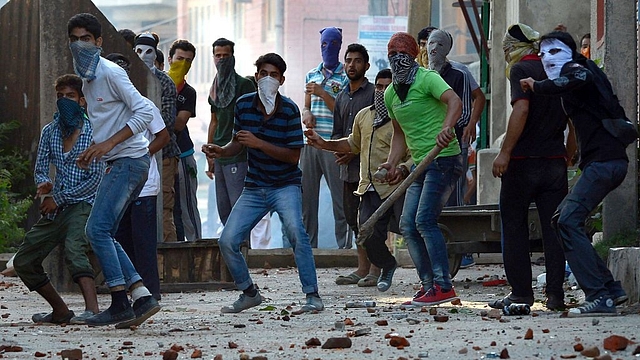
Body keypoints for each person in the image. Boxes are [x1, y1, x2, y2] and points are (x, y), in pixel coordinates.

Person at [202, 53, 323, 313]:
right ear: (256, 76)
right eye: (264, 73)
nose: (268, 79)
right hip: (255, 186)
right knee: (228, 240)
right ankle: (249, 292)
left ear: (281, 80)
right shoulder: (244, 105)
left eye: (274, 75)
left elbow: (292, 157)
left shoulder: (289, 109)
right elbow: (239, 141)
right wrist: (220, 151)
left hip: (285, 184)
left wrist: (259, 144)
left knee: (296, 233)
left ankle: (312, 295)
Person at [520, 30, 629, 317]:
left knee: (567, 221)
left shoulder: (576, 69)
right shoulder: (574, 76)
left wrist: (538, 85)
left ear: (570, 53)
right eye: (542, 54)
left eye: (554, 52)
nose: (547, 59)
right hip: (603, 162)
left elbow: (578, 77)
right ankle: (610, 289)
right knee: (561, 220)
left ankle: (598, 296)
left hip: (606, 162)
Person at [67, 13, 160, 327]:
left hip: (130, 162)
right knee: (104, 231)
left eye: (86, 39)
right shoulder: (87, 79)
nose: (80, 45)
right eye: (75, 39)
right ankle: (141, 294)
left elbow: (146, 110)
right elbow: (107, 119)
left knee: (96, 230)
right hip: (117, 163)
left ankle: (121, 301)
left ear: (99, 42)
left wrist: (109, 146)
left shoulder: (110, 72)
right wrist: (96, 150)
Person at [488, 23, 572, 311]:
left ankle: (522, 294)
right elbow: (572, 116)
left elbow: (521, 109)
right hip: (554, 163)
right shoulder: (558, 68)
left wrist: (505, 153)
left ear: (515, 46)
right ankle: (556, 295)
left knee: (514, 226)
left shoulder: (522, 69)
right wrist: (569, 152)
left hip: (523, 163)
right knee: (554, 230)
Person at [306, 69, 411, 292]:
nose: (382, 91)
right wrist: (324, 143)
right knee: (365, 234)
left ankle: (431, 281)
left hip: (398, 188)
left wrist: (403, 168)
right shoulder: (364, 116)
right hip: (370, 188)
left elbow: (415, 153)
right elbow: (352, 144)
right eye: (379, 87)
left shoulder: (405, 115)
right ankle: (387, 264)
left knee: (411, 229)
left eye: (387, 87)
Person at [379, 32, 463, 306]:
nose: (397, 59)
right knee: (407, 225)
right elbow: (399, 134)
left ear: (414, 55)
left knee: (424, 220)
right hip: (419, 164)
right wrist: (391, 162)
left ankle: (443, 285)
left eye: (402, 53)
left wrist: (447, 128)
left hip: (444, 158)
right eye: (392, 55)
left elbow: (455, 102)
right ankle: (428, 287)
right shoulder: (391, 93)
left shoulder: (428, 78)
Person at [13, 74, 102, 325]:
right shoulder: (50, 131)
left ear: (82, 101)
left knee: (75, 248)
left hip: (83, 203)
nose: (64, 101)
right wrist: (44, 183)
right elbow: (40, 167)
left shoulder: (94, 131)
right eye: (60, 96)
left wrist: (58, 198)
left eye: (70, 97)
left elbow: (95, 180)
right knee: (24, 259)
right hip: (55, 206)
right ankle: (60, 310)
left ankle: (93, 311)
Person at [418, 26, 487, 268]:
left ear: (447, 48)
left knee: (453, 195)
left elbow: (475, 100)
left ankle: (461, 251)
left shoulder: (459, 72)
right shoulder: (422, 75)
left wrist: (470, 125)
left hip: (453, 140)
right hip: (428, 143)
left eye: (439, 44)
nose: (433, 48)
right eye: (430, 44)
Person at [106, 52, 169, 302]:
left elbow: (163, 136)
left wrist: (140, 157)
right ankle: (127, 294)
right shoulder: (105, 109)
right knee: (119, 239)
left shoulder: (143, 105)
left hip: (143, 185)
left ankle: (150, 295)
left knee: (143, 243)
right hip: (115, 185)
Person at [330, 43, 377, 284]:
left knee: (371, 219)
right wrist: (341, 152)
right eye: (348, 60)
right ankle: (361, 268)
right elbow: (338, 133)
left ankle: (375, 270)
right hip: (347, 171)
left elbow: (379, 132)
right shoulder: (341, 96)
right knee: (352, 218)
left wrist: (353, 151)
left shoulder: (373, 95)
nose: (352, 65)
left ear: (366, 66)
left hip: (369, 169)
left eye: (357, 61)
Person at [302, 26, 350, 248]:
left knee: (339, 199)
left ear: (339, 46)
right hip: (310, 143)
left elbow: (343, 110)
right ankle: (308, 247)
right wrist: (307, 113)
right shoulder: (312, 74)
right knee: (307, 200)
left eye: (332, 44)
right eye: (323, 45)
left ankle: (344, 248)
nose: (327, 49)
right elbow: (306, 106)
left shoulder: (346, 76)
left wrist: (323, 93)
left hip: (333, 144)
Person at [134, 32, 180, 243]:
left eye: (148, 51)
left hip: (164, 155)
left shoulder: (165, 82)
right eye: (139, 51)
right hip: (132, 153)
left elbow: (168, 123)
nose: (143, 56)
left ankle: (168, 263)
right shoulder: (128, 79)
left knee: (163, 208)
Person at [206, 38, 256, 227]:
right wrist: (210, 154)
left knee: (239, 209)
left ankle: (243, 251)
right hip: (219, 156)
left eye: (226, 56)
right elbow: (214, 121)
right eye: (218, 56)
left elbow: (252, 122)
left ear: (233, 57)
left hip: (238, 155)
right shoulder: (215, 88)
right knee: (223, 208)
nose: (221, 59)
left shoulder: (244, 85)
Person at [168, 39, 202, 241]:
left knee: (187, 206)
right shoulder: (157, 84)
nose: (183, 63)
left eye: (188, 61)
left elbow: (179, 124)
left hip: (183, 154)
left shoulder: (188, 92)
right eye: (180, 59)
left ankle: (196, 245)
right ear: (170, 58)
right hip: (161, 154)